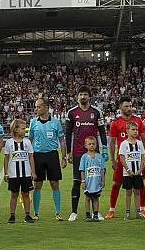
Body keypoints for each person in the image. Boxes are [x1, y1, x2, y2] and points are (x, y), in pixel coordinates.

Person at [64, 87, 106, 222]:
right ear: (77, 97)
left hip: (94, 153)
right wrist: (69, 152)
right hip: (77, 153)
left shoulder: (96, 112)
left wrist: (104, 148)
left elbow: (102, 131)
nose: (83, 97)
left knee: (96, 181)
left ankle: (96, 212)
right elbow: (67, 133)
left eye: (85, 95)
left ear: (89, 97)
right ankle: (74, 212)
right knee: (77, 182)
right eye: (81, 94)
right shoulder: (71, 113)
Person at [106, 97, 145, 219]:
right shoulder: (115, 123)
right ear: (120, 108)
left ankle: (142, 210)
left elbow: (144, 138)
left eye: (130, 106)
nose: (129, 108)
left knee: (140, 185)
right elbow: (112, 142)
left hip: (137, 159)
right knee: (116, 184)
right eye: (126, 106)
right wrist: (113, 159)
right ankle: (111, 210)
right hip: (123, 160)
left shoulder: (138, 121)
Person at [28, 98, 66, 221]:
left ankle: (58, 212)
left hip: (52, 155)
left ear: (45, 107)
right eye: (35, 106)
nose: (36, 109)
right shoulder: (33, 122)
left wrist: (64, 157)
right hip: (37, 156)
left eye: (38, 107)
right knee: (37, 184)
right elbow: (30, 140)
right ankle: (36, 213)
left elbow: (61, 140)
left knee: (54, 183)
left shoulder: (55, 122)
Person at [3, 118, 36, 223]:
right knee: (14, 194)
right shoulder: (9, 143)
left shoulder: (27, 142)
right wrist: (6, 173)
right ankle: (12, 215)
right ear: (16, 129)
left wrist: (33, 172)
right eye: (23, 129)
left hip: (26, 173)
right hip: (13, 174)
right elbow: (6, 158)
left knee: (26, 194)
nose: (25, 131)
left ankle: (27, 215)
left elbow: (31, 157)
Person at [117, 124, 145, 220]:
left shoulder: (139, 143)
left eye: (136, 130)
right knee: (128, 192)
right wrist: (128, 170)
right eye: (133, 129)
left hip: (138, 173)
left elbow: (143, 157)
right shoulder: (124, 144)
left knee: (137, 192)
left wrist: (140, 170)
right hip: (127, 173)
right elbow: (122, 158)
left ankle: (138, 212)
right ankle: (127, 213)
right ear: (127, 131)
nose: (135, 131)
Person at [77, 137, 105, 222]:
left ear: (96, 145)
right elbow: (82, 170)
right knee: (87, 198)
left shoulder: (99, 157)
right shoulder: (84, 157)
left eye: (93, 144)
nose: (92, 146)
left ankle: (95, 214)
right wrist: (83, 181)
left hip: (97, 182)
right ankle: (88, 215)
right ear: (86, 145)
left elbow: (102, 169)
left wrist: (103, 180)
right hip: (88, 182)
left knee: (96, 198)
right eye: (89, 144)